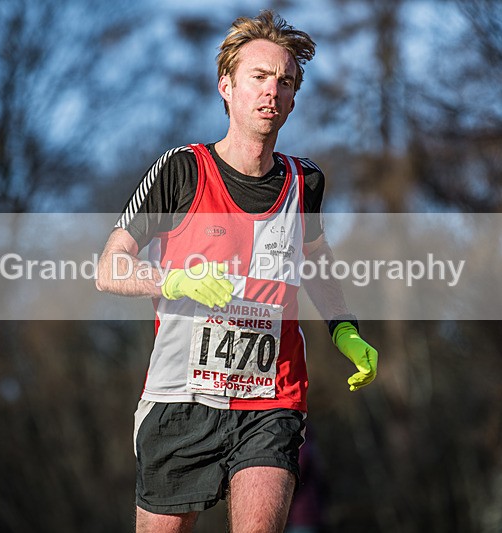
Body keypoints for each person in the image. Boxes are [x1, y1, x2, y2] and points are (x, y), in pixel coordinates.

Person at [96, 10, 378, 533]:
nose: (273, 91)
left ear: (294, 99)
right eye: (259, 76)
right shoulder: (182, 170)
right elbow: (109, 268)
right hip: (181, 397)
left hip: (272, 398)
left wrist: (343, 328)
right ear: (225, 86)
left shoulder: (305, 182)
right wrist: (172, 281)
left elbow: (315, 262)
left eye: (285, 81)